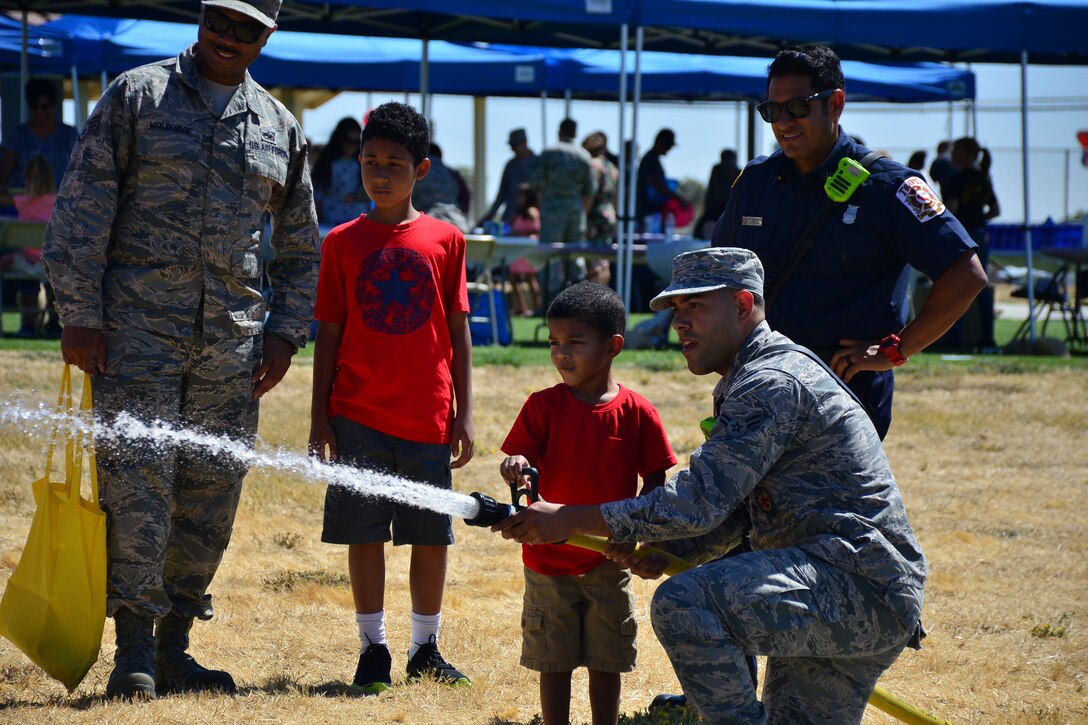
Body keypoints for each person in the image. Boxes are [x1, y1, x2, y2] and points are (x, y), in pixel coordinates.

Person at [493, 247, 927, 724]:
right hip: (841, 586)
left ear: (743, 305)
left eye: (695, 306)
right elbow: (737, 509)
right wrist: (669, 547)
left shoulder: (772, 382)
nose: (679, 323)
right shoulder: (750, 378)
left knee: (685, 603)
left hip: (851, 582)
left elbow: (700, 499)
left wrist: (572, 519)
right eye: (676, 310)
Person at [41, 0, 320, 700]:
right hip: (134, 340)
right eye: (219, 20)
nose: (228, 37)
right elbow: (80, 211)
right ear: (200, 17)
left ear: (268, 36)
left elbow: (298, 246)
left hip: (231, 351)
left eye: (246, 28)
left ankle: (174, 647)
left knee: (208, 501)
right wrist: (79, 314)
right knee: (136, 492)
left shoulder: (280, 129)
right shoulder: (138, 97)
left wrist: (286, 332)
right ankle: (133, 647)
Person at [714, 44, 987, 440]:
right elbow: (721, 277)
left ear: (835, 104)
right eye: (772, 111)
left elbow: (967, 274)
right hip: (757, 391)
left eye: (797, 108)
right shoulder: (755, 183)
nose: (783, 122)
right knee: (750, 504)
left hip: (842, 401)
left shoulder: (888, 187)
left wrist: (896, 350)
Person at [308, 101, 475, 695]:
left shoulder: (447, 240)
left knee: (430, 537)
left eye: (395, 164)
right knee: (365, 535)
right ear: (357, 163)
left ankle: (425, 647)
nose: (381, 174)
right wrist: (319, 417)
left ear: (421, 170)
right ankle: (372, 649)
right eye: (371, 162)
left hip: (427, 417)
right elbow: (328, 331)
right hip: (356, 415)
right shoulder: (340, 244)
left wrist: (463, 411)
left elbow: (458, 330)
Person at [500, 281, 676, 725]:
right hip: (547, 562)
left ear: (613, 345)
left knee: (607, 657)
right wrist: (515, 465)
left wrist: (634, 532)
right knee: (552, 660)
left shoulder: (637, 412)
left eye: (575, 342)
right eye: (554, 343)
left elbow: (656, 477)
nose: (561, 353)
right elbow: (518, 459)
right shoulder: (543, 407)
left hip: (608, 562)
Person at [944, 136, 1001, 350]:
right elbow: (995, 210)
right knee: (980, 286)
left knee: (956, 285)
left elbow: (951, 210)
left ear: (968, 155)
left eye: (957, 150)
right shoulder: (983, 178)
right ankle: (987, 336)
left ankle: (954, 337)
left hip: (960, 235)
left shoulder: (957, 179)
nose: (953, 155)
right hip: (978, 234)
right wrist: (979, 220)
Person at [0, 154, 61, 337]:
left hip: (26, 263)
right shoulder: (58, 201)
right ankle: (53, 322)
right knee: (52, 281)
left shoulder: (22, 200)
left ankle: (28, 323)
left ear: (26, 178)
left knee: (22, 275)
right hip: (52, 266)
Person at [0, 78, 78, 196]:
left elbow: (81, 167)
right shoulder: (19, 136)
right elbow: (5, 172)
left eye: (44, 107)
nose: (40, 112)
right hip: (26, 206)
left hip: (60, 205)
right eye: (35, 108)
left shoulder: (68, 134)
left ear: (53, 105)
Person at [311, 116, 369, 226]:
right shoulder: (326, 163)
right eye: (348, 141)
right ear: (339, 138)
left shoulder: (362, 162)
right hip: (331, 222)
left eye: (356, 142)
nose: (352, 145)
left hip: (357, 222)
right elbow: (318, 194)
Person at [478, 128, 538, 229]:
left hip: (531, 222)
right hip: (510, 219)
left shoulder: (538, 163)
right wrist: (490, 215)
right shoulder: (510, 165)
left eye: (515, 146)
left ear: (525, 143)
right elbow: (501, 194)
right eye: (511, 146)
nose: (512, 149)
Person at [413, 142, 470, 232]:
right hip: (458, 224)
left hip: (424, 225)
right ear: (440, 157)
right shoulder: (453, 174)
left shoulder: (415, 172)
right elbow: (466, 198)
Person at [635, 128, 682, 232]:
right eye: (667, 145)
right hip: (647, 213)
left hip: (653, 213)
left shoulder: (654, 159)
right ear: (659, 141)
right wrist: (677, 197)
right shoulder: (650, 159)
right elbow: (656, 184)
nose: (669, 149)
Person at [507, 182, 542, 317]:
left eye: (522, 195)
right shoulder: (517, 213)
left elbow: (537, 229)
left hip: (527, 249)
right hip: (517, 250)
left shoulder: (532, 211)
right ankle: (523, 308)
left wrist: (517, 233)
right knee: (514, 279)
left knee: (530, 278)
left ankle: (538, 308)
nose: (519, 198)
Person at [694, 148, 741, 239]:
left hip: (733, 209)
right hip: (716, 209)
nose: (728, 166)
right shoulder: (717, 170)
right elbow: (710, 193)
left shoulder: (739, 173)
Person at [582, 130, 619, 244]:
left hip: (595, 218)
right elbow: (615, 199)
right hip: (610, 216)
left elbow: (590, 194)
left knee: (592, 257)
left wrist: (583, 217)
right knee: (603, 255)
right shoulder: (614, 169)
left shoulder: (594, 165)